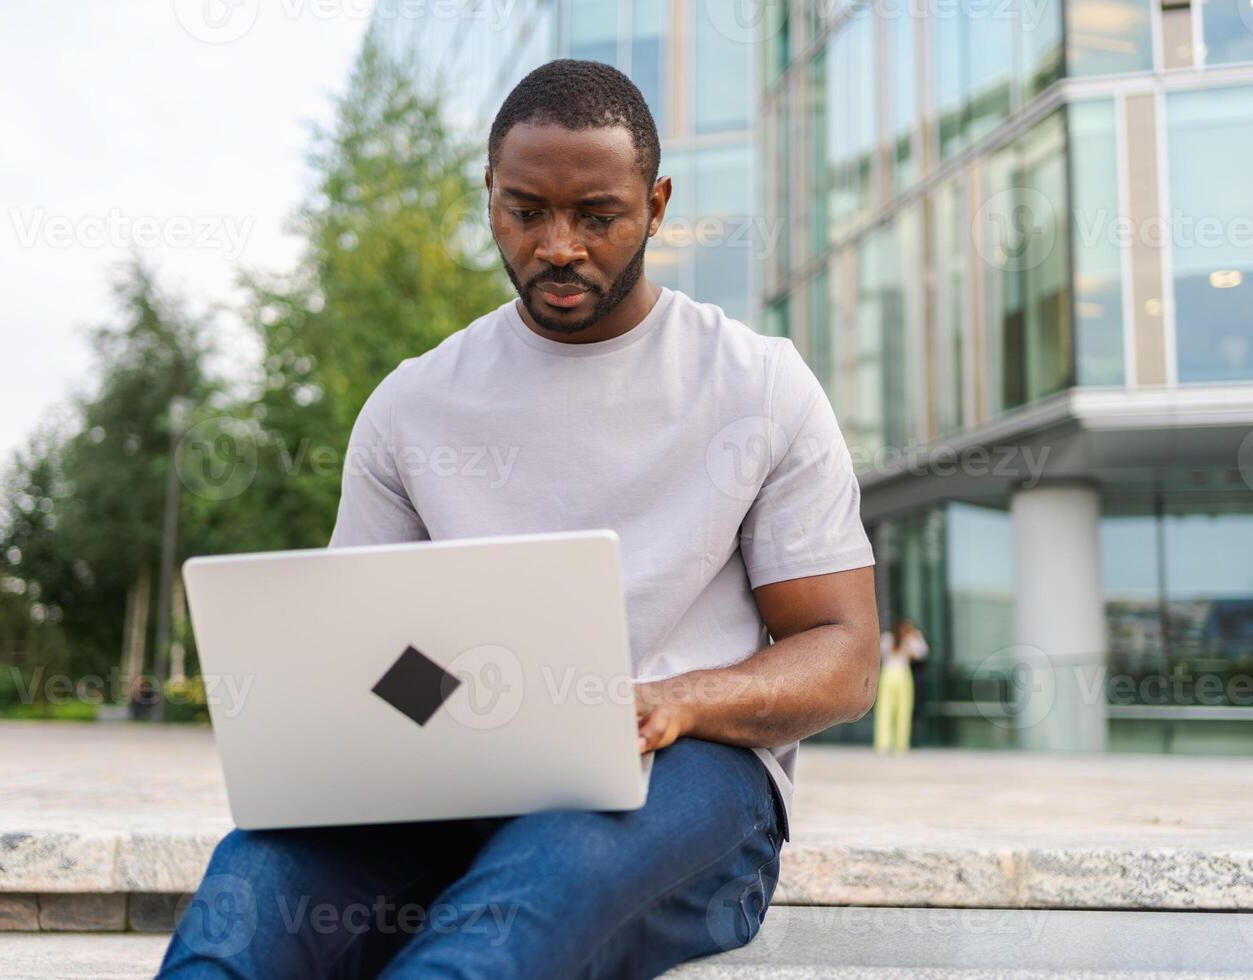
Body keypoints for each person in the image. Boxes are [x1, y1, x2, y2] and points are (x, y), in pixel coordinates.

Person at [160, 59, 878, 980]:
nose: (559, 246)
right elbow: (365, 650)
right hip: (453, 781)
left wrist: (677, 700)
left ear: (657, 206)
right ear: (490, 198)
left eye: (599, 216)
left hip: (693, 773)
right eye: (526, 211)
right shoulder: (413, 405)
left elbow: (843, 653)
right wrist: (453, 727)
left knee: (494, 938)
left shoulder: (756, 385)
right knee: (248, 902)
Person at [873, 618, 929, 754]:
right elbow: (922, 652)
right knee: (901, 710)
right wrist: (916, 637)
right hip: (901, 675)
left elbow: (921, 653)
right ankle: (899, 745)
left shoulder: (889, 639)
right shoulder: (897, 640)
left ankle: (884, 744)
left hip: (889, 674)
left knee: (886, 710)